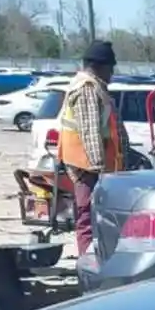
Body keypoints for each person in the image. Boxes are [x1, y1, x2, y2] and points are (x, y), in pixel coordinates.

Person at [55, 40, 128, 257]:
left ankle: (98, 258)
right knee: (88, 217)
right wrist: (100, 170)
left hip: (93, 168)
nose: (112, 74)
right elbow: (90, 131)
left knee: (99, 218)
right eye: (111, 68)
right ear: (100, 66)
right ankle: (88, 264)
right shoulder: (87, 88)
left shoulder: (94, 87)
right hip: (88, 168)